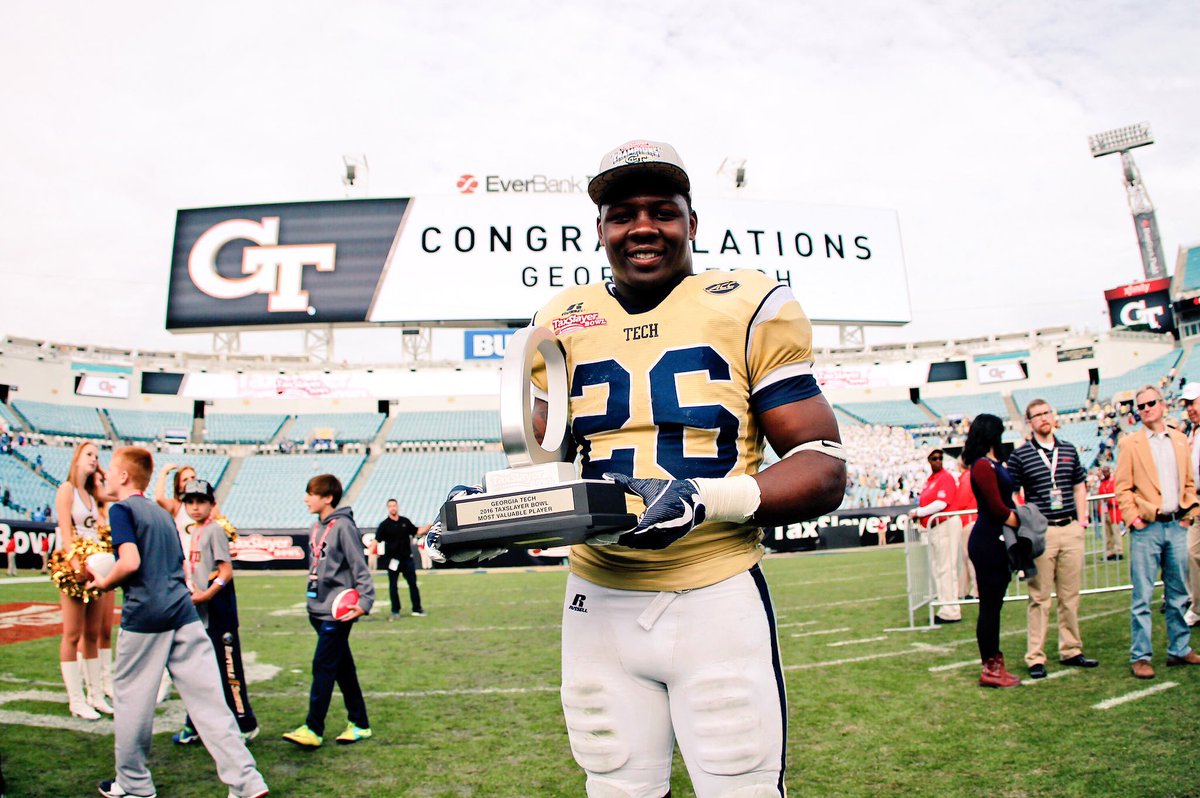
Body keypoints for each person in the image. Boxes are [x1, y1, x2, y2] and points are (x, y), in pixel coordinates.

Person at [430, 139, 846, 796]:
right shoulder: (559, 321)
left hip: (715, 592)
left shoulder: (749, 302)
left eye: (663, 210)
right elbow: (547, 464)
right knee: (615, 785)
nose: (644, 227)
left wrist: (700, 499)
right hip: (597, 601)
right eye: (624, 214)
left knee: (741, 786)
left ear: (692, 223)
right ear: (599, 230)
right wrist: (493, 515)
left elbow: (821, 466)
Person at [85, 446, 267, 798]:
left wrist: (103, 582)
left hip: (147, 617)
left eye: (109, 469)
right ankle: (247, 782)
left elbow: (130, 561)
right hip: (184, 614)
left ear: (124, 476)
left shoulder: (122, 510)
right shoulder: (161, 514)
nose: (105, 474)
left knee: (132, 700)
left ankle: (134, 783)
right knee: (210, 703)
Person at [1006, 399, 1099, 679]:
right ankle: (1035, 656)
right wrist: (1026, 522)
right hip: (1042, 532)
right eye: (1038, 415)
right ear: (1029, 422)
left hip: (1070, 527)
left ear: (1053, 416)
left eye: (1047, 412)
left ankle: (1071, 648)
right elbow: (1012, 491)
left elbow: (1079, 485)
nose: (1044, 418)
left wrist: (1082, 521)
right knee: (1039, 596)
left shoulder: (1069, 450)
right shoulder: (1020, 456)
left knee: (1070, 596)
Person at [282, 474, 376, 748]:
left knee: (322, 665)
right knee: (342, 668)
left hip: (337, 612)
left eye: (310, 493)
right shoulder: (316, 526)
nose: (305, 498)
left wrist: (365, 601)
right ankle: (360, 724)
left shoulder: (343, 526)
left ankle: (313, 728)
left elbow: (360, 567)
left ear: (327, 498)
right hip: (317, 609)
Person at [1114, 385, 1200, 678]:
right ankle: (1140, 656)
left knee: (1177, 594)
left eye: (1151, 403)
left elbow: (1189, 482)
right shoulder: (1130, 444)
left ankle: (1179, 649)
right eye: (1141, 406)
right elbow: (1122, 488)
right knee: (1143, 596)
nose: (1147, 408)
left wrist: (1190, 514)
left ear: (1163, 405)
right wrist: (1134, 519)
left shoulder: (1178, 440)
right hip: (1147, 528)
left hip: (1177, 525)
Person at [172, 479, 260, 746]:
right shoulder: (194, 531)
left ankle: (246, 723)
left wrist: (206, 594)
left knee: (229, 672)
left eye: (201, 501)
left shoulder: (215, 531)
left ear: (212, 504)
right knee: (199, 673)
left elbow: (226, 572)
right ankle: (195, 724)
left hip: (219, 614)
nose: (195, 507)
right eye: (190, 502)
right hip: (201, 614)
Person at [50, 441, 115, 719]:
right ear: (76, 457)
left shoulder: (92, 493)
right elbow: (66, 533)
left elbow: (113, 491)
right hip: (74, 567)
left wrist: (100, 468)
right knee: (73, 633)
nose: (93, 459)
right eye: (89, 454)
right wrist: (77, 566)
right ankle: (76, 700)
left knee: (92, 633)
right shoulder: (67, 490)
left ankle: (96, 695)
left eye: (97, 456)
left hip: (95, 567)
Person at [964, 413, 1021, 688]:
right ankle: (990, 665)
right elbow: (997, 508)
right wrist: (1023, 521)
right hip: (989, 539)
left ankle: (995, 662)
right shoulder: (983, 466)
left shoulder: (992, 463)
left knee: (993, 605)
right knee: (989, 606)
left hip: (994, 537)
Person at [910, 448, 962, 624]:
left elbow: (942, 503)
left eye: (940, 458)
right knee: (939, 568)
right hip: (935, 526)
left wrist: (919, 512)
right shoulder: (930, 481)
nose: (938, 460)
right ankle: (945, 604)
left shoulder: (945, 477)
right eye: (934, 458)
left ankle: (951, 609)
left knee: (946, 567)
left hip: (945, 523)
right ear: (929, 461)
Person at [374, 499, 425, 619]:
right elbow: (376, 540)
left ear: (397, 507)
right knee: (393, 586)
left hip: (407, 559)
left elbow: (416, 531)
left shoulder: (405, 521)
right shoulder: (384, 525)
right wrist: (373, 551)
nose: (393, 508)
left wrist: (428, 527)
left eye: (394, 506)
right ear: (388, 508)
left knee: (413, 584)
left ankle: (417, 608)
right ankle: (395, 610)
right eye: (390, 506)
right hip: (392, 560)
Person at [1180, 382, 1200, 627]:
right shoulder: (1191, 434)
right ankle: (1197, 606)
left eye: (1193, 403)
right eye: (1186, 405)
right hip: (1196, 501)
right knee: (1192, 553)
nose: (1189, 409)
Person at [955, 460, 978, 600]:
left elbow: (962, 500)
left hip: (968, 520)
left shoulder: (966, 478)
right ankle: (962, 591)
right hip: (970, 519)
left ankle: (977, 590)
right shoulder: (971, 477)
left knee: (970, 557)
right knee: (966, 558)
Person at [1097, 466, 1124, 561]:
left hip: (1114, 511)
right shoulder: (1102, 483)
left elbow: (1118, 497)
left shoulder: (1114, 483)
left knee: (1116, 532)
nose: (1105, 473)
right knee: (1107, 533)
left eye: (1106, 472)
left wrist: (1110, 501)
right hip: (1105, 511)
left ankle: (1119, 551)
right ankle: (1109, 552)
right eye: (1103, 472)